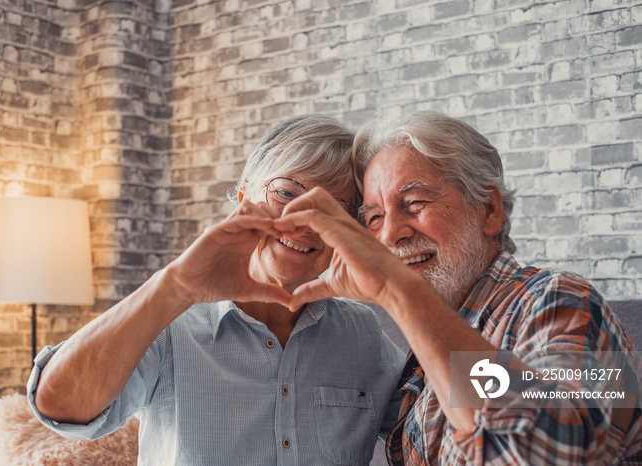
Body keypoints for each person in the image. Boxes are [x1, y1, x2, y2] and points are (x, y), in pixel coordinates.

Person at [26, 114, 406, 465]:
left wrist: (405, 295)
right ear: (243, 200)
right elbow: (58, 407)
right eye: (287, 193)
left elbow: (461, 420)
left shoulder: (364, 333)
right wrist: (174, 286)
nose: (302, 223)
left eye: (333, 210)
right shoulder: (171, 321)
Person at [273, 111, 642, 464]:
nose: (388, 234)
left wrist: (400, 294)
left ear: (489, 210)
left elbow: (550, 454)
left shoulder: (561, 302)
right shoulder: (425, 348)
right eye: (374, 217)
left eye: (415, 203)